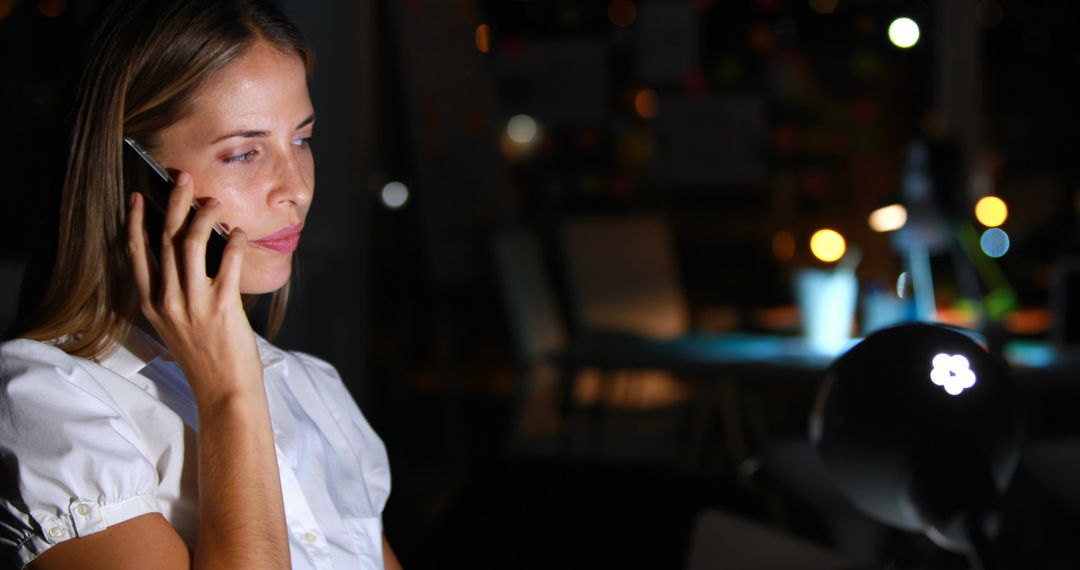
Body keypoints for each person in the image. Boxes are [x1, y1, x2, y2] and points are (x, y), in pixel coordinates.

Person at [0, 1, 400, 568]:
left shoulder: (314, 390)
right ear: (132, 174)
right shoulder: (48, 404)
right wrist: (229, 395)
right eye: (244, 153)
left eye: (302, 140)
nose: (298, 190)